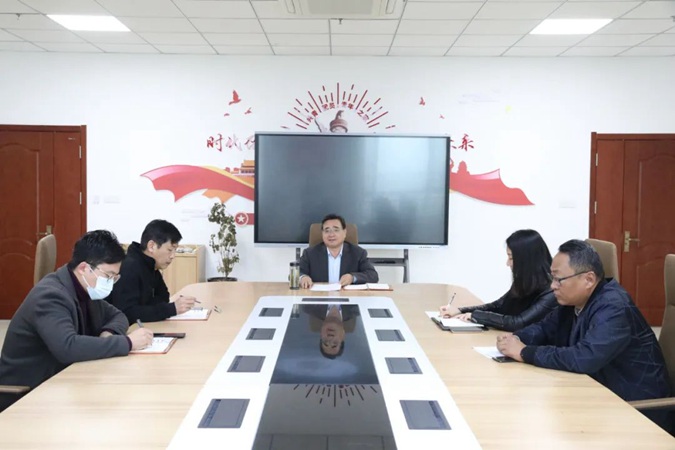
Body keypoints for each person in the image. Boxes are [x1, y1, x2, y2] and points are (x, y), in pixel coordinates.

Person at [497, 239, 671, 430]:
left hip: (638, 412)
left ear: (588, 279)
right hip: (601, 395)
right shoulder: (574, 300)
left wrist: (524, 352)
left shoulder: (614, 307)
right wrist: (516, 339)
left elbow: (584, 358)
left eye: (558, 279)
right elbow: (544, 329)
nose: (552, 286)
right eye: (552, 278)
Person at [0, 230, 153, 412]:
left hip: (60, 384)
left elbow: (118, 316)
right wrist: (128, 342)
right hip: (26, 394)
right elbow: (68, 347)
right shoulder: (50, 296)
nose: (110, 283)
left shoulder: (85, 289)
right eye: (108, 276)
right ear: (84, 268)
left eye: (115, 277)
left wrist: (109, 333)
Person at [440, 229, 558, 331]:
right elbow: (498, 306)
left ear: (526, 260)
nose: (507, 263)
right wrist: (460, 311)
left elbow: (518, 322)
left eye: (511, 258)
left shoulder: (552, 290)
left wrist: (475, 316)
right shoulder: (526, 280)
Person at [110, 219, 196, 323]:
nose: (173, 256)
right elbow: (127, 312)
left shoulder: (152, 265)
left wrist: (150, 309)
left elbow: (164, 297)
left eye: (175, 250)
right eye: (170, 250)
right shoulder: (129, 267)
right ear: (151, 246)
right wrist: (171, 309)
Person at [299, 214, 378, 289]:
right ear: (322, 234)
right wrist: (303, 277)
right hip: (319, 296)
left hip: (348, 297)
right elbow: (298, 272)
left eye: (336, 230)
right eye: (327, 231)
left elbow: (373, 276)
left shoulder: (358, 253)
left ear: (344, 232)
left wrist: (352, 277)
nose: (331, 234)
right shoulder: (310, 253)